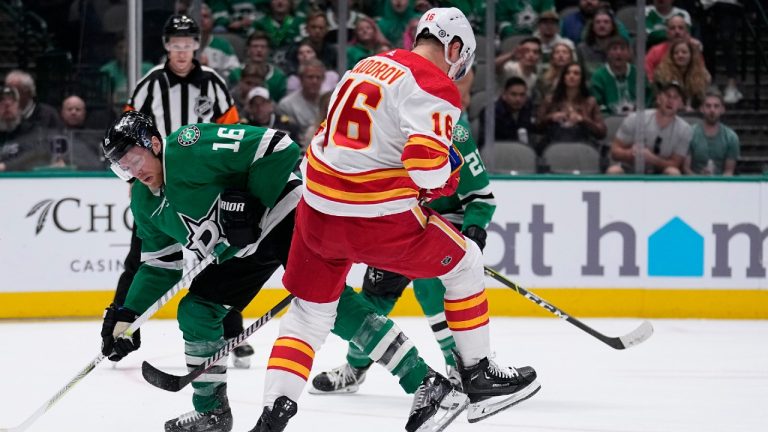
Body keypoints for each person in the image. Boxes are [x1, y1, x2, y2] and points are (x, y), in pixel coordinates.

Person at [257, 7, 540, 432]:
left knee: (308, 316)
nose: (459, 70)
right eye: (461, 60)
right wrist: (447, 173)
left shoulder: (366, 65)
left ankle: (273, 413)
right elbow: (426, 167)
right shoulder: (432, 82)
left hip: (315, 214)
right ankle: (478, 376)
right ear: (454, 46)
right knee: (466, 264)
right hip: (374, 217)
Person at [98, 111, 469, 432]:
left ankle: (425, 381)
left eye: (133, 157)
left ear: (154, 143)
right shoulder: (143, 201)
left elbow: (278, 145)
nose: (132, 171)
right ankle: (211, 413)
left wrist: (252, 203)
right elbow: (160, 266)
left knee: (331, 307)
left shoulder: (187, 146)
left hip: (288, 216)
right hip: (243, 248)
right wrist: (129, 316)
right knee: (197, 310)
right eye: (122, 167)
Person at [309, 112, 496, 395]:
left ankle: (459, 369)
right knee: (374, 298)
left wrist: (474, 230)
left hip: (444, 223)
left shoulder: (454, 132)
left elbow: (481, 196)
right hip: (397, 218)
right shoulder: (380, 124)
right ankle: (355, 368)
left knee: (429, 286)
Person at [113, 13, 253, 371]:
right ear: (165, 46)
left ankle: (230, 332)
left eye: (188, 43)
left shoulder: (213, 83)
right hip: (156, 181)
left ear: (196, 45)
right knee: (143, 256)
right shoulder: (149, 85)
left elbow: (231, 131)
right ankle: (122, 323)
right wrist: (136, 181)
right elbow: (126, 136)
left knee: (223, 253)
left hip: (203, 184)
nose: (181, 51)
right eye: (175, 44)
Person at [606, 81, 693, 175]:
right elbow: (614, 151)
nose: (670, 101)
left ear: (680, 104)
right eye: (667, 95)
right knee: (613, 171)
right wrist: (630, 153)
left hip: (660, 173)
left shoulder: (685, 129)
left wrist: (652, 159)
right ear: (658, 98)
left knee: (673, 172)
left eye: (675, 97)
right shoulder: (636, 118)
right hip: (630, 170)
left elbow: (675, 163)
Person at [536, 62, 606, 148]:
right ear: (563, 77)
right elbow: (537, 127)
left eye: (576, 73)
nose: (571, 76)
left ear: (582, 78)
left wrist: (583, 120)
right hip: (554, 145)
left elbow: (602, 132)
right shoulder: (550, 100)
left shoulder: (590, 102)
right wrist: (551, 117)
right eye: (568, 73)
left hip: (582, 146)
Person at [590, 36, 653, 115]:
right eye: (614, 49)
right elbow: (598, 106)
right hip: (609, 121)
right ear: (608, 53)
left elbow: (648, 100)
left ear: (629, 53)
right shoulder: (599, 77)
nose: (618, 53)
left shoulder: (638, 74)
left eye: (622, 49)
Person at [683, 89, 740, 175]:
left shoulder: (731, 137)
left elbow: (729, 171)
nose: (712, 110)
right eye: (708, 106)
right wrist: (700, 180)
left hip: (722, 185)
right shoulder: (689, 134)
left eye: (716, 106)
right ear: (702, 108)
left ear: (722, 109)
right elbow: (686, 169)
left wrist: (717, 185)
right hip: (694, 184)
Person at [701, 0, 744, 104]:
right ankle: (711, 83)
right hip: (707, 5)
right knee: (708, 46)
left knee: (728, 42)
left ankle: (732, 85)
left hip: (728, 4)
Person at [275, 59, 325, 147]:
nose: (315, 81)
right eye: (310, 77)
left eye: (318, 77)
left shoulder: (330, 101)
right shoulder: (286, 104)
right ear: (301, 79)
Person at [0, 85, 50, 172]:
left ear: (19, 107)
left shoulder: (32, 130)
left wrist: (5, 166)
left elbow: (34, 156)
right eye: (1, 101)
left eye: (12, 100)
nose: (7, 104)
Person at [653, 38, 711, 110]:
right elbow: (658, 98)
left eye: (684, 52)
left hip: (695, 113)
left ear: (691, 55)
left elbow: (703, 99)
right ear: (671, 56)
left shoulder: (703, 75)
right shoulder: (661, 74)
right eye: (676, 53)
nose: (680, 55)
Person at [229, 32, 288, 103]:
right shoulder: (235, 73)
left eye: (263, 47)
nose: (259, 50)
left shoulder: (279, 77)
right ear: (248, 49)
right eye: (255, 46)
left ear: (269, 50)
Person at [480, 77, 536, 146]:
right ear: (504, 95)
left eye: (522, 95)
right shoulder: (491, 113)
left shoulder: (527, 107)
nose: (518, 99)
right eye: (513, 94)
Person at [645, 15, 703, 81]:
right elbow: (647, 76)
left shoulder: (694, 51)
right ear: (667, 33)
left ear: (686, 32)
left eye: (681, 28)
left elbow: (701, 76)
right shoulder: (655, 51)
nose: (677, 31)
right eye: (672, 28)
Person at [199, 2, 242, 80]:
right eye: (198, 17)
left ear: (212, 21)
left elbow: (236, 72)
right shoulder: (182, 45)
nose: (202, 20)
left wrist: (212, 72)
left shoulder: (223, 46)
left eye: (205, 16)